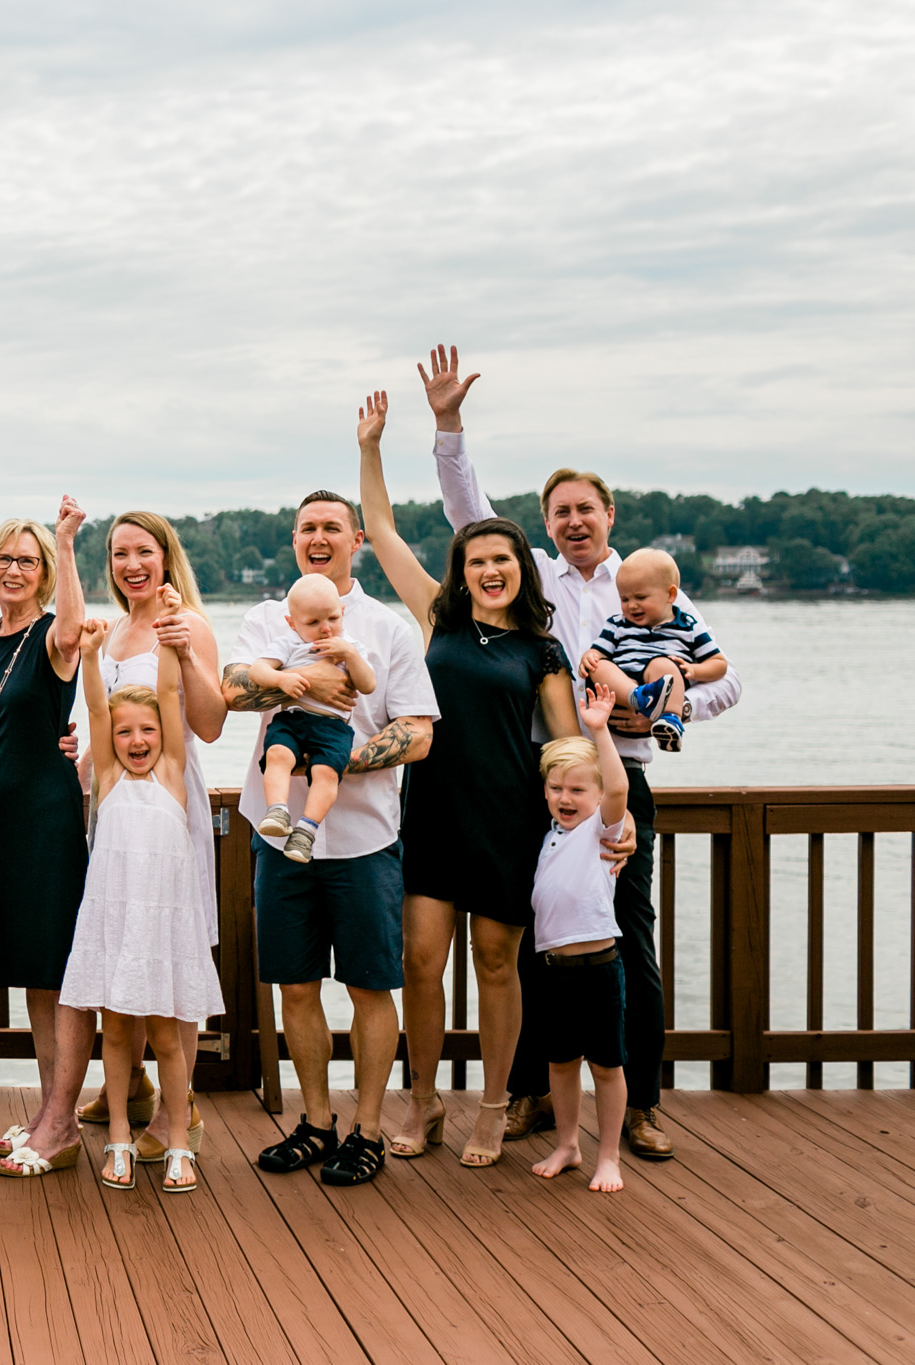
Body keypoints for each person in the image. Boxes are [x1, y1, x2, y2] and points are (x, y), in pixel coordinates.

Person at [425, 343, 743, 1158]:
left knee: (623, 935)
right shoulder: (528, 573)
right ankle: (532, 1091)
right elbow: (470, 514)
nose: (572, 521)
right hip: (531, 783)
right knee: (535, 936)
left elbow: (724, 681)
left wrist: (658, 716)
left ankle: (638, 1103)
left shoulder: (645, 587)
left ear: (610, 516)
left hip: (614, 783)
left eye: (585, 509)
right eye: (558, 510)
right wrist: (449, 424)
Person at [360, 389, 584, 1169]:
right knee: (420, 960)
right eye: (477, 559)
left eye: (503, 560)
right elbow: (382, 532)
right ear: (462, 569)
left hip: (509, 822)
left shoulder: (541, 652)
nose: (490, 570)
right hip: (431, 816)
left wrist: (593, 821)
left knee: (496, 961)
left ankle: (493, 1107)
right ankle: (423, 1101)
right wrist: (372, 447)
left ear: (522, 570)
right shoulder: (437, 621)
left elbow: (568, 748)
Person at [223, 487, 438, 1188]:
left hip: (365, 843)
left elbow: (417, 731)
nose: (318, 537)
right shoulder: (268, 617)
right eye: (306, 527)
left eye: (332, 527)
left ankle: (368, 1129)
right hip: (280, 838)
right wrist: (299, 678)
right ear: (294, 540)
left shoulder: (386, 628)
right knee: (295, 984)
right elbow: (231, 687)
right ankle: (317, 1122)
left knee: (372, 987)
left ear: (357, 540)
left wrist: (339, 759)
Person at [77, 511, 226, 1158]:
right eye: (118, 553)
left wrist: (185, 649)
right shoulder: (109, 633)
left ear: (166, 556)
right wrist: (78, 761)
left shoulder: (185, 621)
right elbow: (107, 720)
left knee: (172, 947)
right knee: (125, 939)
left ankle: (177, 1110)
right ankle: (131, 1085)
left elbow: (213, 722)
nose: (131, 564)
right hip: (116, 805)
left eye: (143, 551)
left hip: (168, 798)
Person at [0, 499, 91, 1178]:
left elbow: (74, 629)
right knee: (34, 980)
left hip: (45, 822)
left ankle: (62, 1121)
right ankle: (52, 1110)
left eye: (28, 560)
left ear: (42, 573)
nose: (15, 569)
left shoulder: (51, 636)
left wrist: (67, 544)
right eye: (4, 559)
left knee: (57, 973)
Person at [529, 688, 633, 1194]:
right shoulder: (549, 836)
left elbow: (617, 788)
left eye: (577, 791)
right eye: (556, 789)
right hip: (554, 970)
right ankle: (568, 1144)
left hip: (598, 967)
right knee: (560, 1063)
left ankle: (608, 1156)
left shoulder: (602, 831)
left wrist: (598, 729)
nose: (566, 799)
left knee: (607, 1066)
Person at [244, 573, 378, 863]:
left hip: (332, 727)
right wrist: (282, 679)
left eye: (332, 618)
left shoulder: (351, 646)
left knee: (327, 773)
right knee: (277, 754)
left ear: (342, 612)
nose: (325, 629)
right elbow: (257, 670)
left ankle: (305, 830)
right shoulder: (290, 642)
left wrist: (352, 656)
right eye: (313, 623)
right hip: (293, 718)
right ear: (293, 623)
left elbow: (368, 684)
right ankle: (277, 810)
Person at [579, 548, 727, 752]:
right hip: (623, 695)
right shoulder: (617, 624)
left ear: (671, 594)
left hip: (659, 702)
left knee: (662, 664)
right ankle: (637, 696)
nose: (632, 606)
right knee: (600, 666)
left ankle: (670, 721)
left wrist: (694, 670)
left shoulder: (689, 627)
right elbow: (600, 650)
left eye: (640, 597)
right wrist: (591, 657)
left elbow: (719, 664)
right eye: (625, 599)